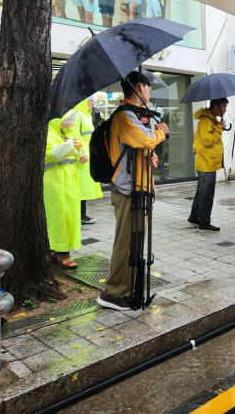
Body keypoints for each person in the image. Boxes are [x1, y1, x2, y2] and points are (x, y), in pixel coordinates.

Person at [98, 71, 168, 311]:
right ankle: (114, 294)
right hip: (128, 190)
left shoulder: (135, 116)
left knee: (136, 241)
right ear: (140, 87)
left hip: (139, 188)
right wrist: (161, 134)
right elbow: (143, 139)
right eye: (148, 88)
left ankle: (130, 289)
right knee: (126, 242)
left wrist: (151, 156)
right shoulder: (124, 116)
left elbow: (141, 146)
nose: (149, 92)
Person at [44, 111, 83, 268]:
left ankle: (55, 250)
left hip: (67, 179)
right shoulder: (48, 133)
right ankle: (62, 253)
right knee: (58, 217)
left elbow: (79, 154)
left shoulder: (64, 133)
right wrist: (68, 146)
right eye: (68, 119)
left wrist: (77, 147)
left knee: (69, 215)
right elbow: (48, 154)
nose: (71, 122)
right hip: (54, 180)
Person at [188, 98, 227, 232]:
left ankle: (194, 217)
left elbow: (197, 136)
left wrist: (195, 145)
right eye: (223, 106)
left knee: (201, 192)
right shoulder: (206, 120)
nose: (225, 109)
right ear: (215, 107)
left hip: (207, 161)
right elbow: (208, 140)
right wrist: (220, 128)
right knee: (207, 194)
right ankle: (204, 223)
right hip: (207, 162)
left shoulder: (210, 119)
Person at [74, 97, 104, 224]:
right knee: (80, 186)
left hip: (87, 154)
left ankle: (82, 214)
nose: (92, 104)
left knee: (84, 186)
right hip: (82, 157)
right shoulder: (78, 115)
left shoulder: (86, 116)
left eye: (92, 102)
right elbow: (75, 136)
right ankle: (80, 215)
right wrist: (81, 153)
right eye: (89, 101)